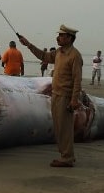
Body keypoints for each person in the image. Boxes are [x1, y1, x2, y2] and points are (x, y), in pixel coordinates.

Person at [19, 24, 82, 167]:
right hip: (56, 94)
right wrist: (28, 44)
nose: (58, 38)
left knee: (65, 128)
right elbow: (44, 56)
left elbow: (77, 79)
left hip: (65, 96)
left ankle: (67, 158)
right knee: (59, 127)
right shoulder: (59, 53)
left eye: (61, 35)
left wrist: (74, 99)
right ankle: (65, 155)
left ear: (69, 38)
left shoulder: (75, 55)